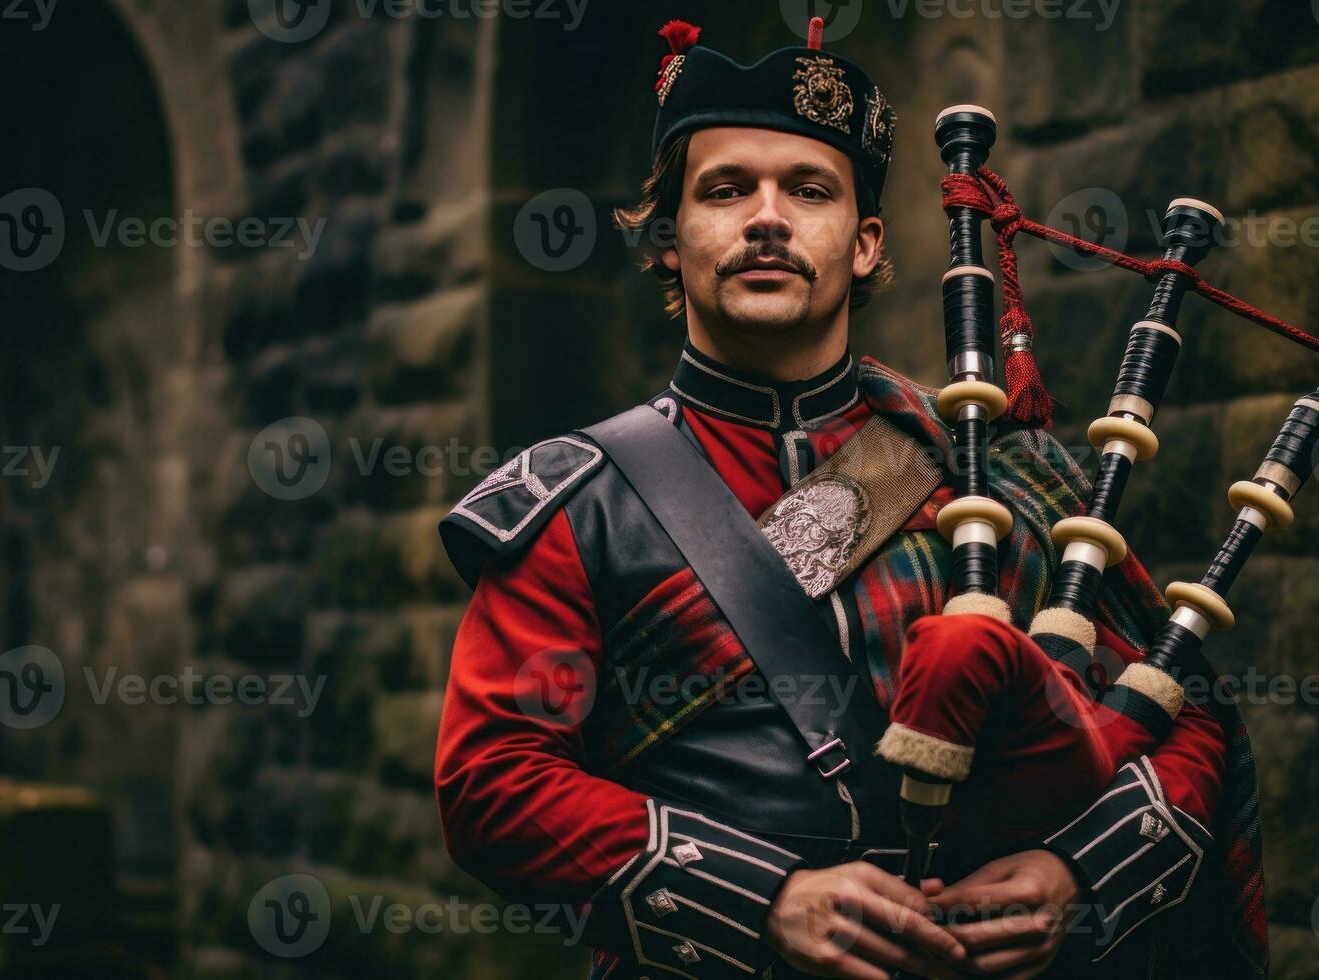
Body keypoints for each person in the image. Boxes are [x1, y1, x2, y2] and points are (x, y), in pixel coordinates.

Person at [436, 18, 1262, 980]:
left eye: (810, 190)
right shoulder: (580, 503)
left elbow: (1180, 711)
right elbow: (493, 782)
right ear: (670, 241)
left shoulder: (1000, 469)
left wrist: (1077, 875)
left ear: (866, 243)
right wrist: (764, 899)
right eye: (726, 189)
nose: (768, 218)